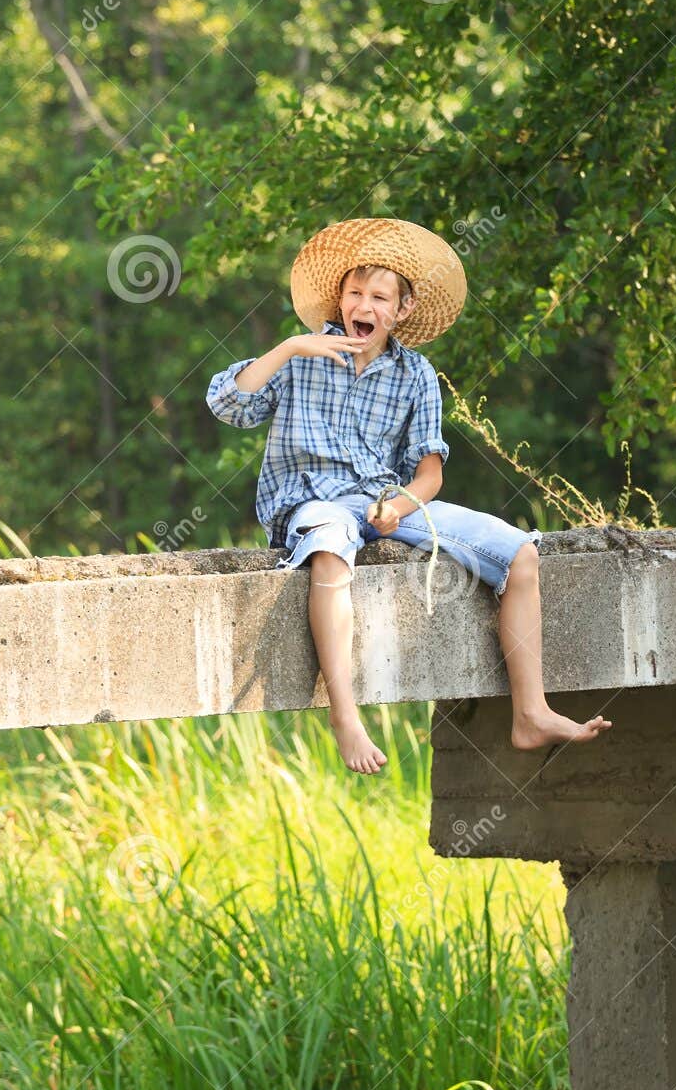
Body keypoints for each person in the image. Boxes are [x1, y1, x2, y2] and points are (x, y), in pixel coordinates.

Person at [206, 216, 611, 773]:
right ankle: (345, 716)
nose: (363, 304)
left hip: (384, 500)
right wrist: (288, 348)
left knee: (521, 554)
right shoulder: (301, 357)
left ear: (402, 310)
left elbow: (429, 475)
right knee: (329, 546)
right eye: (354, 293)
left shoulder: (417, 374)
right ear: (339, 302)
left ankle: (531, 713)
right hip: (312, 501)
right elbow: (228, 405)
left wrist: (396, 507)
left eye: (378, 295)